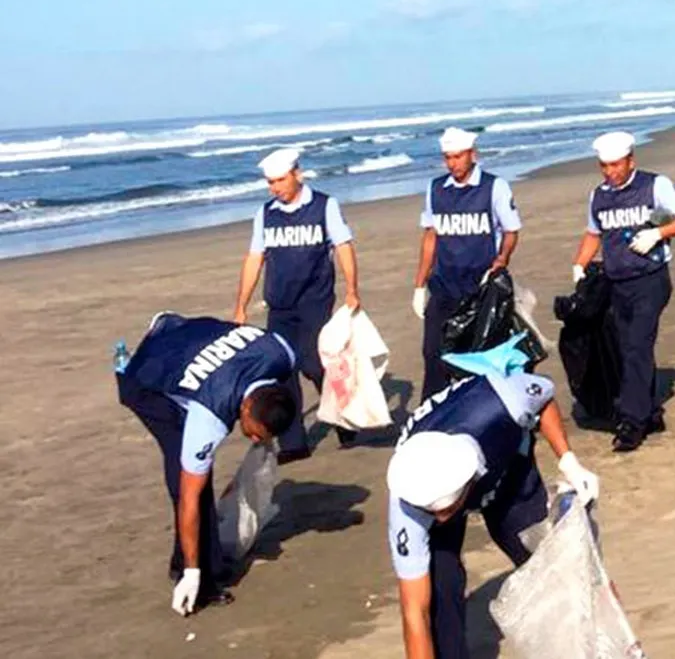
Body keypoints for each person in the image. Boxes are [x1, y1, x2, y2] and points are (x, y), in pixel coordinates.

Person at [385, 344, 599, 659]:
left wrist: (568, 460)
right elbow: (413, 611)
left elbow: (543, 398)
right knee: (440, 586)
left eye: (446, 510)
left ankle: (585, 645)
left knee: (550, 563)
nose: (441, 518)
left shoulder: (502, 403)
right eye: (434, 512)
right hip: (444, 477)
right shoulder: (408, 499)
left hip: (504, 467)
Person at [114, 312, 299, 616]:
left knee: (200, 476)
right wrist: (192, 574)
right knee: (188, 481)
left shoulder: (282, 353)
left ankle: (205, 564)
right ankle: (195, 573)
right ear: (247, 405)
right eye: (253, 431)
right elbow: (189, 498)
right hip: (148, 381)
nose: (253, 439)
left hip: (183, 334)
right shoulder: (210, 415)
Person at [569, 131, 675, 452]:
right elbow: (593, 233)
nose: (610, 172)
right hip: (617, 282)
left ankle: (631, 422)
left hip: (650, 279)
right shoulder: (597, 196)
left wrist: (658, 233)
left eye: (615, 165)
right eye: (604, 166)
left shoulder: (655, 186)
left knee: (636, 346)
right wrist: (579, 265)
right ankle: (651, 412)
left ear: (631, 161)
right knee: (628, 345)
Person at [233, 148, 361, 460]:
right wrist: (241, 305)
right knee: (283, 371)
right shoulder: (265, 214)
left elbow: (343, 247)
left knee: (315, 365)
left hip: (315, 302)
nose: (274, 188)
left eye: (279, 180)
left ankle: (343, 419)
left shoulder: (323, 206)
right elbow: (255, 258)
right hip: (279, 305)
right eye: (269, 182)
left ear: (297, 175)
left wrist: (352, 289)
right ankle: (293, 443)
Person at [411, 127, 522, 401]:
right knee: (433, 353)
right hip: (444, 284)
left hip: (481, 288)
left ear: (472, 154)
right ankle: (433, 411)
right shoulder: (436, 189)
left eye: (458, 157)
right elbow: (430, 236)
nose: (452, 164)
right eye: (447, 157)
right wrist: (419, 284)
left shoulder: (494, 187)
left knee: (480, 354)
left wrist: (502, 258)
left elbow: (510, 231)